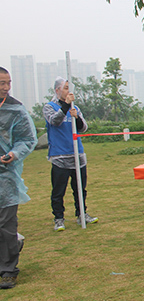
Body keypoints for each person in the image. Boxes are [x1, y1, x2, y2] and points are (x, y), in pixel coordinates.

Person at [0, 67, 37, 289]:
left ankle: (8, 270)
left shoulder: (15, 109)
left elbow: (27, 138)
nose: (6, 87)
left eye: (9, 83)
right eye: (2, 83)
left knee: (6, 224)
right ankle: (14, 245)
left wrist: (14, 154)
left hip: (5, 177)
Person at [43, 77, 97, 231]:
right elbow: (54, 121)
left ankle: (82, 214)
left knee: (80, 188)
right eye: (65, 88)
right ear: (57, 90)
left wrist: (76, 117)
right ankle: (59, 218)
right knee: (58, 190)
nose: (68, 91)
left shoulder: (75, 108)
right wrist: (65, 107)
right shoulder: (49, 107)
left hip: (77, 154)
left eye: (69, 88)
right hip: (60, 156)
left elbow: (83, 128)